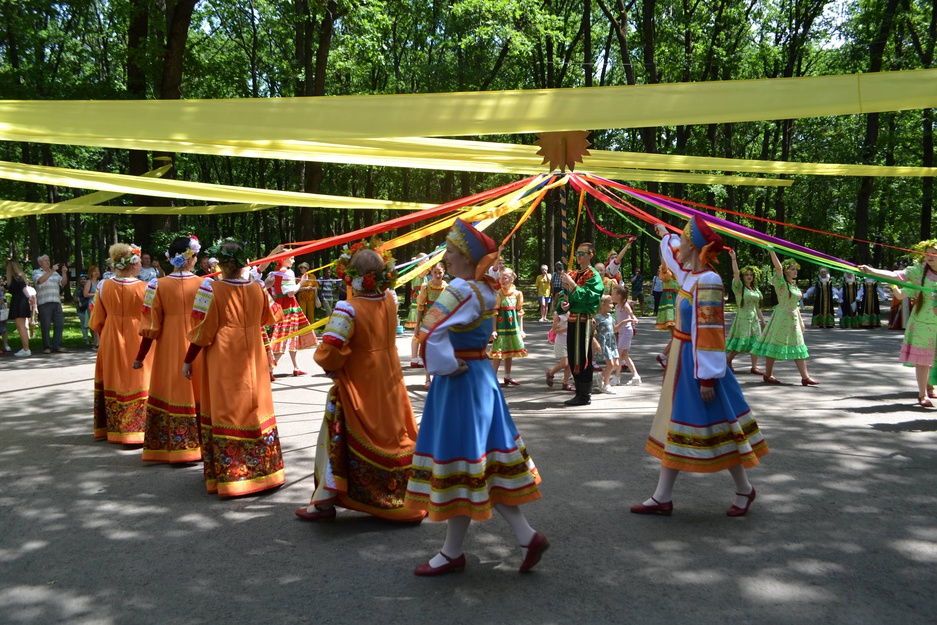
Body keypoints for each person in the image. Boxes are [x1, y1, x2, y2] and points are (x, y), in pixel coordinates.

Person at [405, 219, 547, 576]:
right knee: (479, 467)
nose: (446, 259)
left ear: (467, 257)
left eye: (451, 253)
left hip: (460, 383)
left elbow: (428, 331)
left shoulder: (459, 289)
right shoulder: (486, 289)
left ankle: (455, 553)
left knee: (461, 462)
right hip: (483, 379)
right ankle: (522, 537)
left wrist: (447, 367)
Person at [631, 219, 768, 518]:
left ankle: (743, 488)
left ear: (692, 245)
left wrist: (706, 375)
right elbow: (670, 254)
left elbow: (710, 330)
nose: (677, 243)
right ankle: (662, 497)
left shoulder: (708, 280)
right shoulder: (688, 275)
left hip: (698, 363)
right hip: (683, 360)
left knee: (717, 425)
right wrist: (664, 235)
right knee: (679, 424)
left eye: (681, 238)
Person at [295, 243, 425, 523]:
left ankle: (325, 503)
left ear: (352, 275)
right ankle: (403, 495)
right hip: (389, 378)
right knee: (394, 432)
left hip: (361, 382)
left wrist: (333, 369)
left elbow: (329, 349)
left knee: (337, 435)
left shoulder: (348, 309)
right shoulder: (390, 300)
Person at [183, 239, 286, 496]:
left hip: (224, 356)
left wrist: (188, 359)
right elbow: (273, 315)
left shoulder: (211, 290)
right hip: (254, 357)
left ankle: (233, 475)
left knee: (228, 409)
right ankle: (264, 472)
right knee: (256, 407)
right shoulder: (257, 289)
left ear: (220, 263)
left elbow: (202, 331)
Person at [133, 235, 204, 463]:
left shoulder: (156, 285)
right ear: (191, 258)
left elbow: (150, 325)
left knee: (172, 389)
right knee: (198, 391)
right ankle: (201, 445)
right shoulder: (206, 285)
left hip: (168, 347)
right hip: (198, 346)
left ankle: (170, 446)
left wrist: (140, 356)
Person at [89, 243, 153, 443]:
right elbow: (152, 319)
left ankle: (115, 429)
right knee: (139, 379)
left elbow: (96, 320)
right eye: (139, 261)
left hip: (111, 336)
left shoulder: (104, 286)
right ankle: (138, 429)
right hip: (138, 336)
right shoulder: (145, 288)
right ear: (133, 264)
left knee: (114, 378)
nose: (141, 265)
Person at [860, 246, 937, 407]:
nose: (930, 256)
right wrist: (872, 271)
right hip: (923, 323)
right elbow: (896, 275)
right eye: (928, 253)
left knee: (934, 360)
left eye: (934, 253)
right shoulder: (918, 271)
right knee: (923, 360)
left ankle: (930, 386)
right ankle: (922, 394)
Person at [751, 252, 818, 385]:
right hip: (782, 317)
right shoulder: (780, 283)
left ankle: (805, 377)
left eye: (795, 269)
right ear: (786, 271)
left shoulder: (793, 285)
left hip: (793, 318)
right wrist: (770, 250)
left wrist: (801, 321)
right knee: (775, 344)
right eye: (792, 269)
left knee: (798, 346)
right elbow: (778, 268)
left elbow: (796, 305)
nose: (795, 271)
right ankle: (768, 374)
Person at [557, 242, 605, 406]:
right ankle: (578, 391)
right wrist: (563, 304)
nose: (578, 256)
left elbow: (591, 297)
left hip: (584, 321)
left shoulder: (593, 276)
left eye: (582, 253)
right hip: (572, 319)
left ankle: (585, 395)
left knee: (583, 357)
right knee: (572, 356)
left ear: (591, 255)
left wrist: (572, 284)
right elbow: (565, 297)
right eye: (577, 253)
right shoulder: (573, 273)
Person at [265, 255, 317, 376]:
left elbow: (271, 289)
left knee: (289, 336)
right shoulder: (288, 272)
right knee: (283, 337)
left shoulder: (275, 273)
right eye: (291, 258)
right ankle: (269, 369)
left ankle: (296, 366)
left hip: (280, 306)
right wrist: (302, 283)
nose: (294, 261)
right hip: (289, 307)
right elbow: (290, 293)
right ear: (283, 260)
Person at [725, 249, 766, 375]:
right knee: (741, 344)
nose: (749, 276)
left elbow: (757, 307)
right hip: (743, 318)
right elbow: (736, 273)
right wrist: (733, 258)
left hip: (754, 319)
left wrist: (763, 321)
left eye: (751, 275)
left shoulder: (755, 289)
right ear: (743, 276)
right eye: (746, 274)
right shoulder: (739, 288)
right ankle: (728, 360)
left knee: (755, 343)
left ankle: (754, 367)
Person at [490, 266, 527, 386]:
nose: (502, 280)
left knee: (509, 351)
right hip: (502, 327)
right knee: (498, 352)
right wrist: (494, 330)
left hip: (513, 327)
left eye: (505, 278)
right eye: (500, 278)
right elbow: (495, 313)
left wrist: (521, 330)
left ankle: (508, 376)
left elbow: (519, 312)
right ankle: (492, 378)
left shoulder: (517, 294)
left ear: (511, 279)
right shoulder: (499, 294)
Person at [416, 262, 448, 388]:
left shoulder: (447, 287)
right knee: (427, 349)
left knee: (440, 350)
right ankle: (427, 378)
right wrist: (417, 325)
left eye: (440, 272)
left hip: (441, 323)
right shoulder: (426, 287)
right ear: (431, 273)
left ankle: (438, 377)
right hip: (427, 322)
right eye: (435, 272)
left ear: (444, 272)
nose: (438, 275)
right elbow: (420, 307)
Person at [32, 254, 68, 354]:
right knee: (46, 325)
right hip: (44, 302)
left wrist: (64, 273)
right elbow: (40, 281)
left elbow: (63, 283)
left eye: (48, 260)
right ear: (40, 263)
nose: (48, 262)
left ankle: (57, 346)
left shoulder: (56, 274)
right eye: (45, 260)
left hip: (56, 301)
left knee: (59, 324)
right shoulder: (36, 272)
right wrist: (52, 271)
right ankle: (46, 347)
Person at [612, 285, 641, 386]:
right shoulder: (617, 306)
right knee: (624, 355)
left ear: (619, 296)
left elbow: (632, 315)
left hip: (627, 332)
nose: (611, 295)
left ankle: (616, 377)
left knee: (619, 355)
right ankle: (636, 376)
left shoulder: (625, 305)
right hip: (621, 332)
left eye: (613, 294)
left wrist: (634, 319)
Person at [592, 294, 619, 393]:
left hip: (611, 342)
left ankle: (601, 376)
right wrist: (595, 343)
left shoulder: (610, 316)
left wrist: (626, 322)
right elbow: (593, 332)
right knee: (611, 364)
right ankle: (606, 385)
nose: (612, 305)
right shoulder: (597, 318)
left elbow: (614, 329)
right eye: (610, 303)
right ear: (603, 304)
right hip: (604, 343)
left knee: (616, 364)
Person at [654, 264, 679, 368]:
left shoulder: (677, 276)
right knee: (677, 336)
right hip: (669, 308)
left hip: (676, 308)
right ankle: (664, 356)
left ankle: (669, 359)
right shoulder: (666, 273)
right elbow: (664, 267)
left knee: (675, 336)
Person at [5, 260, 32, 357]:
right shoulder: (17, 277)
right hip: (21, 301)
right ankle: (25, 348)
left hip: (19, 302)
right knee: (22, 327)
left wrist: (30, 298)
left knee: (21, 327)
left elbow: (23, 288)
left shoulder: (16, 277)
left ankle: (26, 349)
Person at [545, 301, 573, 392]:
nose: (565, 306)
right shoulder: (558, 315)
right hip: (561, 342)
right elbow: (555, 330)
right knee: (564, 363)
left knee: (569, 365)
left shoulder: (571, 314)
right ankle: (550, 373)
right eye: (563, 304)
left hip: (570, 342)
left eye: (567, 304)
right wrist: (566, 329)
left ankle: (565, 383)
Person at [74, 273, 92, 344]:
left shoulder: (90, 289)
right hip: (81, 309)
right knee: (84, 323)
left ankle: (94, 338)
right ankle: (86, 338)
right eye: (81, 279)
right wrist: (78, 300)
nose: (83, 281)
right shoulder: (77, 290)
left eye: (84, 279)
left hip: (89, 307)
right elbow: (75, 299)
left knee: (91, 323)